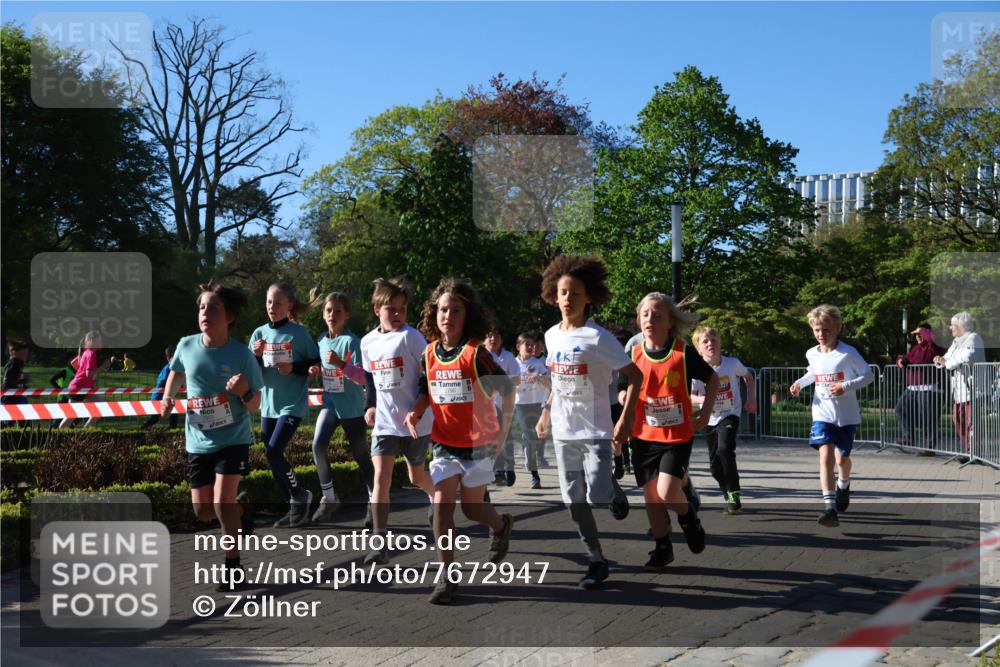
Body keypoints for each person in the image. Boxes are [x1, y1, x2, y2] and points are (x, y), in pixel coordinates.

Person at [404, 278, 515, 605]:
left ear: (467, 316)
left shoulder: (475, 353)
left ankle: (500, 525)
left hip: (479, 444)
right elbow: (426, 388)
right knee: (442, 503)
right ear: (433, 313)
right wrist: (416, 412)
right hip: (444, 443)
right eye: (442, 309)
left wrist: (503, 434)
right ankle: (447, 576)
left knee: (472, 508)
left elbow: (507, 390)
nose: (447, 315)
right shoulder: (428, 353)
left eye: (455, 310)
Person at [534, 254, 642, 590]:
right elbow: (558, 381)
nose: (568, 299)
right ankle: (596, 559)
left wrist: (625, 419)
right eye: (563, 292)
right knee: (573, 502)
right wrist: (546, 411)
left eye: (575, 293)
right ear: (554, 294)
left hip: (595, 429)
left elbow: (635, 376)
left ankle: (611, 487)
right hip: (565, 431)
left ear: (589, 298)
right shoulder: (551, 336)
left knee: (595, 494)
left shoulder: (599, 338)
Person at [160, 282, 263, 591]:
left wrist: (244, 391)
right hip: (197, 439)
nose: (205, 313)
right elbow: (177, 371)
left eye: (213, 308)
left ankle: (233, 568)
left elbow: (257, 403)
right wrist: (168, 397)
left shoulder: (242, 355)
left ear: (229, 316)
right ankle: (242, 508)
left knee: (221, 502)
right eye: (202, 307)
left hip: (233, 438)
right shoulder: (186, 345)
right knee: (203, 512)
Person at [620, 294, 717, 570]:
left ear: (670, 322)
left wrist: (706, 414)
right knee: (651, 496)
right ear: (639, 320)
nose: (650, 319)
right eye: (645, 314)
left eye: (657, 315)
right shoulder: (633, 353)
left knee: (666, 491)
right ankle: (663, 548)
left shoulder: (682, 352)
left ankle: (689, 519)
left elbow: (711, 379)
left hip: (676, 436)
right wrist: (623, 407)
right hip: (642, 435)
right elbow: (623, 386)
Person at [360, 277, 437, 565]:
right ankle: (379, 542)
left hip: (415, 422)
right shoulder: (367, 342)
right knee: (381, 478)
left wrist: (415, 410)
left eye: (402, 309)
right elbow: (369, 378)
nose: (397, 315)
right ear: (376, 310)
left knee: (416, 477)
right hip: (384, 423)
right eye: (391, 309)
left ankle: (436, 497)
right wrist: (370, 406)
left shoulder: (412, 338)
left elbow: (428, 376)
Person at [790, 305, 873, 528]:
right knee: (825, 457)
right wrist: (799, 383)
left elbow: (868, 375)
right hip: (822, 413)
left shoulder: (848, 353)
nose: (821, 334)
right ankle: (830, 508)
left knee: (841, 460)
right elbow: (812, 373)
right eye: (817, 330)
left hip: (845, 416)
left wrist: (845, 386)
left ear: (837, 328)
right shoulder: (812, 353)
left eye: (826, 330)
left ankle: (844, 484)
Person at [249, 283, 320, 528]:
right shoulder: (258, 334)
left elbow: (315, 362)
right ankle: (294, 503)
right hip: (269, 405)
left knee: (273, 450)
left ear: (289, 305)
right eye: (269, 302)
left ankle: (300, 495)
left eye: (278, 303)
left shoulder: (299, 333)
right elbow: (250, 372)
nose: (272, 307)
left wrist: (296, 368)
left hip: (292, 404)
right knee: (271, 456)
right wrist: (256, 356)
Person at [307, 291, 376, 526]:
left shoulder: (352, 342)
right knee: (317, 446)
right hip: (330, 405)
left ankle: (374, 503)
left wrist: (341, 364)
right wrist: (315, 370)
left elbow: (362, 378)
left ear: (346, 315)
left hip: (353, 408)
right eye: (328, 310)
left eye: (337, 311)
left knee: (361, 457)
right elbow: (321, 367)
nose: (332, 315)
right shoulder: (321, 339)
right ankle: (329, 497)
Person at [691, 326, 756, 515]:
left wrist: (751, 398)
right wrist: (704, 400)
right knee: (714, 467)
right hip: (708, 418)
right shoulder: (696, 369)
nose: (710, 343)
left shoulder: (731, 363)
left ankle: (734, 493)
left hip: (730, 414)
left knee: (724, 449)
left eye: (714, 340)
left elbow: (748, 377)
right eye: (705, 341)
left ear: (720, 343)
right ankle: (726, 490)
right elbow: (691, 396)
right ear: (698, 349)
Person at [933, 311, 986, 458]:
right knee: (958, 420)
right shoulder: (956, 342)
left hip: (973, 389)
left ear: (961, 326)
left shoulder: (974, 338)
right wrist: (939, 360)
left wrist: (947, 363)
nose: (950, 328)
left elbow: (967, 356)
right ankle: (968, 450)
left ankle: (975, 454)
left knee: (972, 423)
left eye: (953, 325)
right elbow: (947, 358)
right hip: (958, 390)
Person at [894, 324, 946, 448]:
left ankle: (929, 447)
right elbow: (904, 358)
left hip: (929, 388)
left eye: (920, 334)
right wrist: (900, 361)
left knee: (929, 418)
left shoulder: (934, 347)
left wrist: (923, 330)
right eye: (916, 335)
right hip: (912, 388)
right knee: (900, 409)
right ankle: (909, 437)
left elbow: (932, 339)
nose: (918, 336)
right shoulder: (916, 349)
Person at [514, 331, 550, 489]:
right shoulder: (512, 364)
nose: (530, 347)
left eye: (532, 344)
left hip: (538, 403)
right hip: (521, 404)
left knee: (538, 437)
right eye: (526, 344)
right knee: (530, 436)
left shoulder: (538, 363)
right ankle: (535, 475)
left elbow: (550, 384)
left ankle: (532, 456)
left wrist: (540, 378)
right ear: (518, 347)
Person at [486, 325, 521, 486]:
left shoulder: (508, 357)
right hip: (487, 407)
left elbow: (516, 379)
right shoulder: (480, 356)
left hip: (505, 403)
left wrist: (500, 385)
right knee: (492, 438)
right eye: (489, 336)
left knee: (507, 438)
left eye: (496, 336)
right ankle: (498, 470)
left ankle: (510, 467)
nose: (493, 339)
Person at [59, 331, 115, 429]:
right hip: (78, 388)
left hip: (83, 388)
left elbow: (74, 364)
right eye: (100, 340)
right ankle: (56, 437)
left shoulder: (86, 352)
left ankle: (85, 432)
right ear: (93, 341)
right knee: (71, 416)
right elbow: (88, 374)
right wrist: (103, 366)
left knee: (101, 408)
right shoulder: (91, 354)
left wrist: (88, 382)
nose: (102, 342)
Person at [142, 347, 178, 429]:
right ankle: (143, 428)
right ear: (169, 358)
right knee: (155, 418)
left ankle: (172, 429)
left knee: (173, 413)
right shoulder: (168, 368)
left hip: (161, 396)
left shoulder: (170, 368)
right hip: (158, 396)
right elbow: (164, 382)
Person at [2, 341, 30, 405]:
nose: (25, 356)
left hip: (17, 398)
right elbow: (7, 381)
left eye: (26, 353)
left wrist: (28, 389)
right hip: (10, 400)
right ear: (15, 353)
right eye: (23, 353)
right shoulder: (13, 364)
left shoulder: (18, 364)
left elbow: (16, 381)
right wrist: (23, 380)